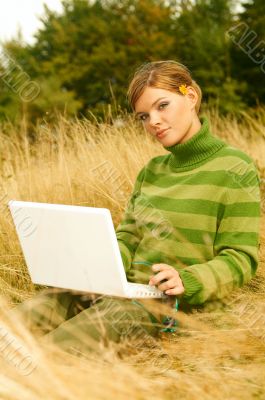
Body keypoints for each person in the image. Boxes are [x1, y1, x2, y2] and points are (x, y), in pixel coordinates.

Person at [11, 60, 261, 357]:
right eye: (143, 116)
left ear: (191, 97)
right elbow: (128, 237)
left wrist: (188, 279)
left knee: (53, 351)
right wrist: (98, 267)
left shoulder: (235, 167)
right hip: (125, 290)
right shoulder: (152, 171)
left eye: (162, 106)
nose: (153, 121)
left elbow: (241, 258)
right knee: (19, 323)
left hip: (170, 306)